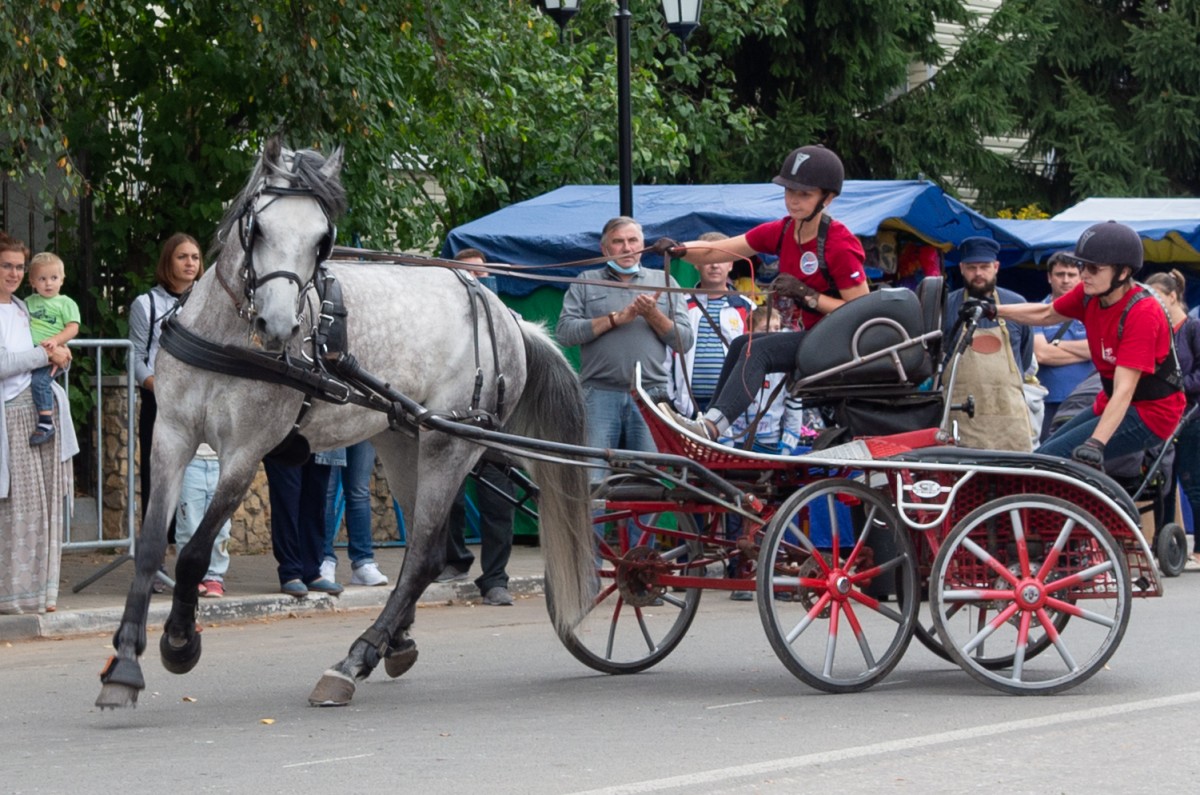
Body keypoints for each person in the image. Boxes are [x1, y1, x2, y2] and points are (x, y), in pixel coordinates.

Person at [661, 145, 869, 440]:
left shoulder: (839, 243)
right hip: (815, 337)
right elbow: (716, 250)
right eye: (789, 191)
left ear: (828, 198)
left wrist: (808, 295)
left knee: (758, 350)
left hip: (842, 343)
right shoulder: (782, 231)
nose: (793, 201)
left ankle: (709, 430)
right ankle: (711, 423)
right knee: (740, 345)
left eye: (804, 194)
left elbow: (863, 312)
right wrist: (677, 249)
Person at [978, 222, 1184, 471]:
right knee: (1043, 455)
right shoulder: (1089, 294)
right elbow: (1046, 313)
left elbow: (1125, 389)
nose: (1084, 274)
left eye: (1094, 268)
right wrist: (992, 310)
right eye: (1082, 265)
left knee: (1050, 462)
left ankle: (1053, 508)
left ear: (1122, 272)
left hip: (1151, 414)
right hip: (1112, 401)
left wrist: (1096, 443)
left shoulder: (1142, 312)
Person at [555, 216, 694, 473]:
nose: (627, 248)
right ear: (605, 249)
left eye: (633, 241)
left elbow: (684, 342)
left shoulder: (664, 281)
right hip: (598, 394)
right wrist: (615, 319)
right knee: (593, 481)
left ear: (643, 244)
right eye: (618, 242)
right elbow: (564, 333)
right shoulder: (586, 280)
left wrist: (653, 315)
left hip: (651, 395)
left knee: (649, 483)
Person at [0, 232, 76, 614]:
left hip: (39, 414)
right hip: (9, 418)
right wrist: (44, 354)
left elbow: (44, 357)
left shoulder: (22, 308)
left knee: (40, 512)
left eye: (17, 266)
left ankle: (36, 596)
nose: (13, 273)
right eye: (6, 266)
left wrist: (61, 358)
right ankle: (9, 596)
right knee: (12, 509)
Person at [129, 233, 203, 591]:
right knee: (159, 484)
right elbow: (135, 357)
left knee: (200, 485)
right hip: (160, 405)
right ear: (167, 262)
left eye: (194, 257)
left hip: (200, 406)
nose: (190, 263)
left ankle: (201, 566)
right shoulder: (147, 303)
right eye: (182, 257)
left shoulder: (208, 302)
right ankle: (154, 564)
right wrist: (156, 385)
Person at [942, 236, 1037, 452]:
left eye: (984, 267)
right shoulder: (947, 307)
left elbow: (1024, 355)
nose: (978, 274)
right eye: (971, 267)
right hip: (961, 417)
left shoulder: (1017, 305)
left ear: (996, 267)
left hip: (1008, 417)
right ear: (961, 268)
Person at [1144, 270, 1200, 565]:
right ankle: (1162, 546)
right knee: (1161, 480)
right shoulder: (1159, 329)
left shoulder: (1193, 328)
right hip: (1165, 414)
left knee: (1192, 481)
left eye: (1157, 296)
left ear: (1173, 296)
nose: (1152, 302)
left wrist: (1177, 385)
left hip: (1192, 415)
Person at [668, 231, 755, 417]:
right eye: (708, 259)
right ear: (696, 264)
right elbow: (668, 354)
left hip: (731, 407)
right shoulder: (680, 305)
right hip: (687, 407)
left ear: (731, 264)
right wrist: (670, 398)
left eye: (721, 258)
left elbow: (753, 358)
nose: (715, 265)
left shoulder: (747, 308)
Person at [435, 458, 519, 606]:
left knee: (499, 502)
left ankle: (495, 579)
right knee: (449, 501)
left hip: (495, 439)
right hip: (455, 440)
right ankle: (455, 561)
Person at [264, 451, 345, 597]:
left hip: (321, 438)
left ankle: (312, 572)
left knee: (316, 502)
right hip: (286, 437)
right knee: (287, 503)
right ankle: (290, 572)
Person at [1033, 253, 1093, 439]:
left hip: (1090, 400)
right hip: (1049, 401)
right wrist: (1087, 351)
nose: (1066, 280)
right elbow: (1042, 354)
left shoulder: (1095, 309)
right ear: (1050, 277)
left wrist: (1057, 345)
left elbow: (1102, 348)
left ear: (1081, 277)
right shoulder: (1036, 311)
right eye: (1060, 274)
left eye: (1071, 274)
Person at [23, 252, 80, 446]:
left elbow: (73, 327)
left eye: (54, 278)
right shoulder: (28, 303)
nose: (48, 283)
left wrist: (56, 341)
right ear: (32, 281)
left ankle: (46, 423)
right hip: (34, 353)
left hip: (53, 356)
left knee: (39, 382)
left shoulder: (65, 303)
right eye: (42, 278)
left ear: (62, 280)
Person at [321, 441, 389, 587]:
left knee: (359, 491)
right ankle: (324, 559)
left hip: (365, 422)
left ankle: (363, 562)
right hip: (332, 422)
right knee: (326, 491)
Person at [174, 442, 233, 597]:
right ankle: (189, 577)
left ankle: (215, 576)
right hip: (190, 462)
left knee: (221, 527)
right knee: (189, 525)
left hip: (222, 461)